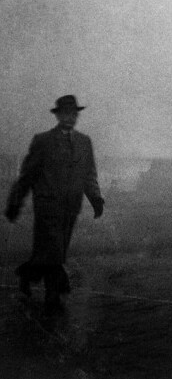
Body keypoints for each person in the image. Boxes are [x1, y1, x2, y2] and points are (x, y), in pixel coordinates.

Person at [4, 95, 105, 313]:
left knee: (52, 251)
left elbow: (89, 175)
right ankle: (53, 295)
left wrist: (96, 198)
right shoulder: (43, 141)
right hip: (47, 207)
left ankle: (26, 275)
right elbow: (27, 175)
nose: (70, 118)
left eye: (74, 114)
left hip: (71, 207)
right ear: (58, 115)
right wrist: (15, 202)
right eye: (66, 113)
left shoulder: (84, 142)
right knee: (54, 252)